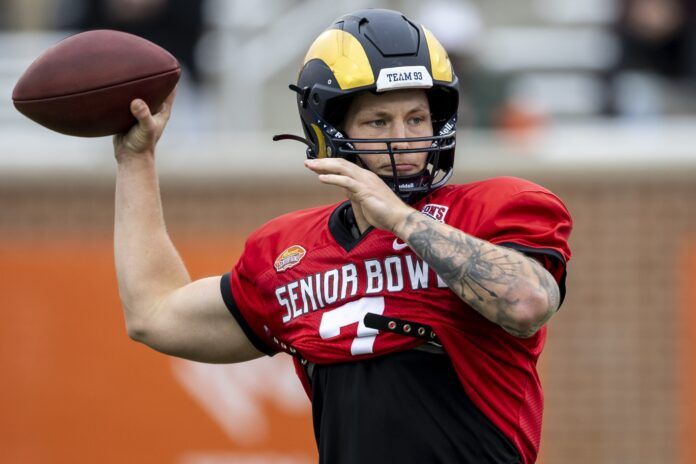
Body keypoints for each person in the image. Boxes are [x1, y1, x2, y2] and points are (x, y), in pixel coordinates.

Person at [113, 9, 572, 464]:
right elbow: (154, 314)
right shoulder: (287, 252)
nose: (404, 139)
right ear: (329, 131)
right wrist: (137, 161)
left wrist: (401, 219)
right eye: (378, 122)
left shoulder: (493, 210)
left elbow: (527, 303)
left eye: (416, 118)